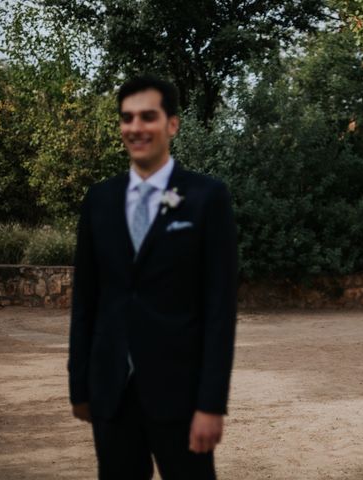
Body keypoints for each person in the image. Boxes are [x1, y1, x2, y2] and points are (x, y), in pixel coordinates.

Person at [68, 75, 237, 479]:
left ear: (172, 124)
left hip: (180, 394)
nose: (136, 127)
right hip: (111, 392)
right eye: (127, 118)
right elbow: (86, 300)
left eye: (148, 116)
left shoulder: (207, 197)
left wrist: (211, 403)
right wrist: (80, 385)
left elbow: (219, 308)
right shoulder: (99, 200)